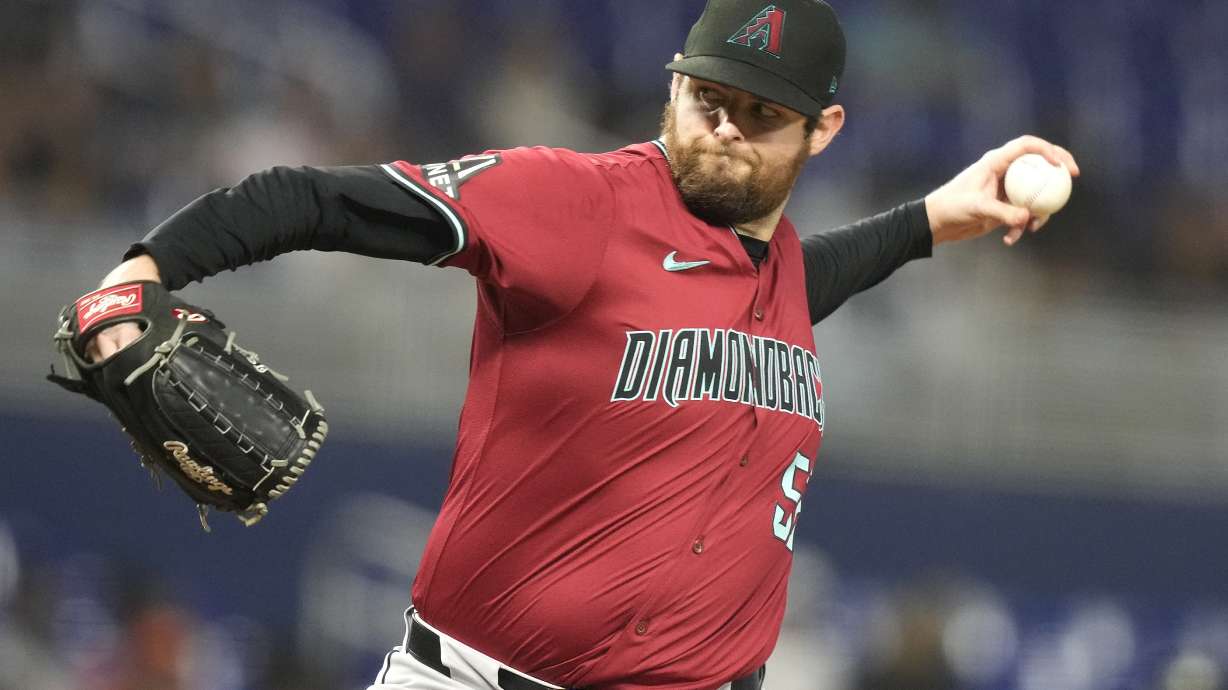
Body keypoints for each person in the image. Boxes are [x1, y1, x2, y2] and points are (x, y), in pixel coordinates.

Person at [83, 0, 1079, 688]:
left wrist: (934, 219)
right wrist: (147, 270)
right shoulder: (576, 202)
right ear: (675, 87)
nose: (724, 130)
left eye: (760, 115)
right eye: (708, 99)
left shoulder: (772, 281)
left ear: (822, 132)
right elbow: (315, 198)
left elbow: (804, 275)